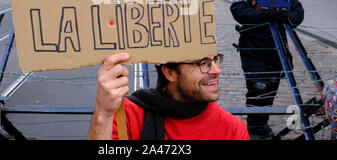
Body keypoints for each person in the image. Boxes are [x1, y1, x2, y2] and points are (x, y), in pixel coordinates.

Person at [229, 0, 304, 140]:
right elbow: (238, 10)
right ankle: (254, 129)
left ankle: (262, 125)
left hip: (277, 51)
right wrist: (267, 14)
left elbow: (299, 13)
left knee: (270, 88)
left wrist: (285, 17)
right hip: (253, 49)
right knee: (258, 87)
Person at [88, 52, 250, 140]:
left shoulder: (233, 129)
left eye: (215, 60)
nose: (216, 70)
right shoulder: (127, 116)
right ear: (170, 73)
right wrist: (103, 113)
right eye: (202, 63)